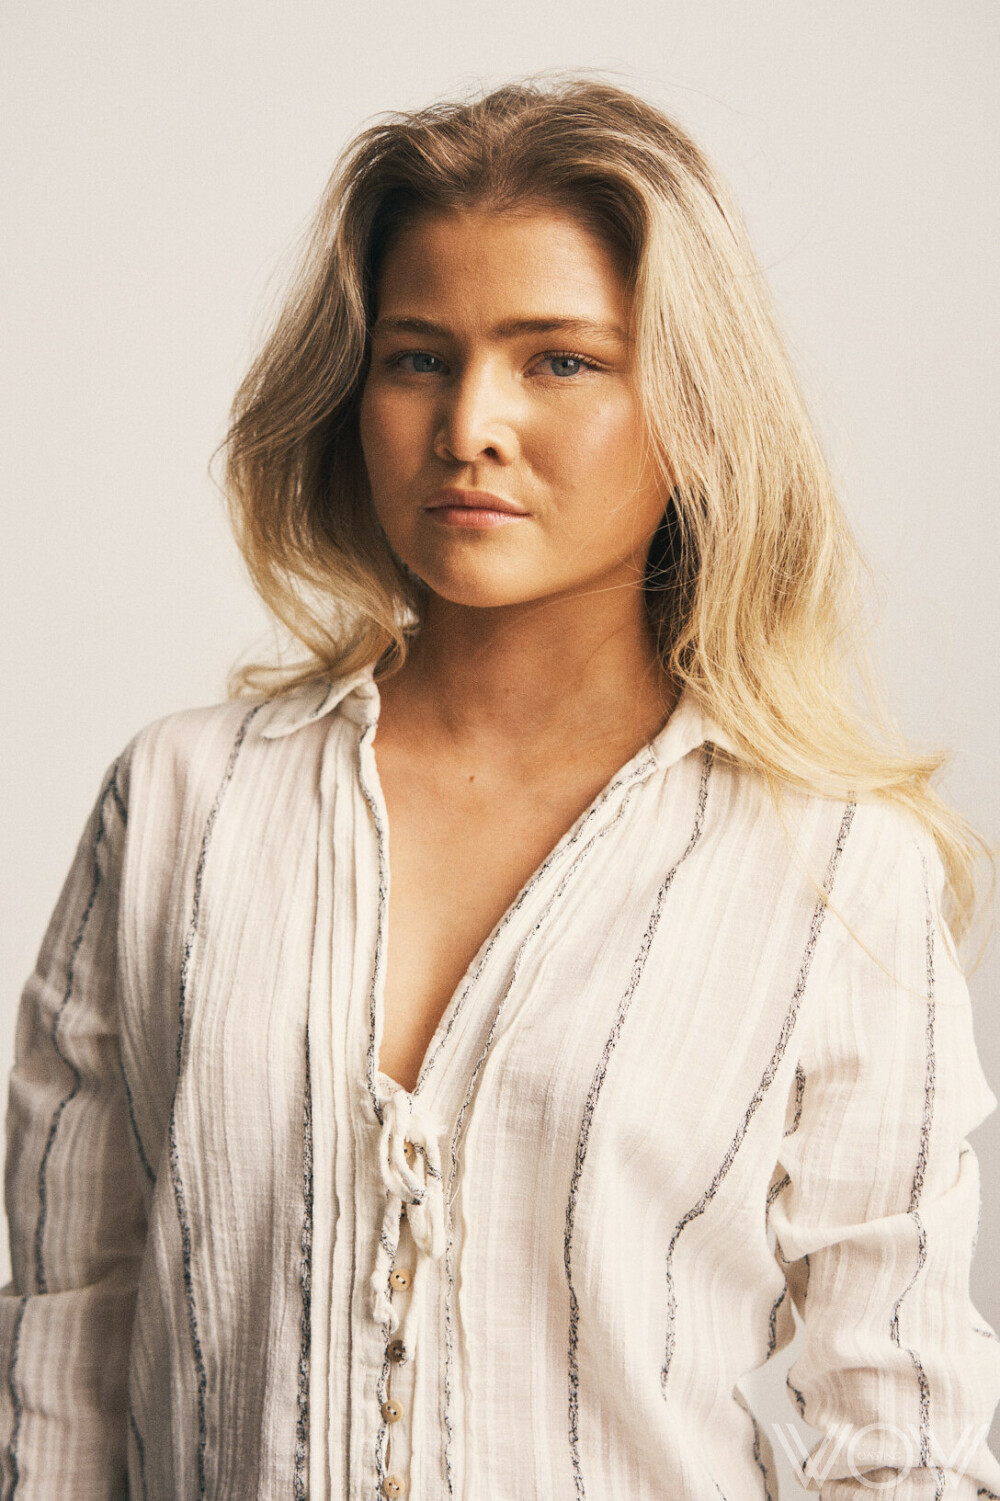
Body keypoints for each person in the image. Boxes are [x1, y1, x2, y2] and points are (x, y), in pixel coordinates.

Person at [1, 70, 998, 1501]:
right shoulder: (179, 806)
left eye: (560, 362)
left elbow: (896, 1430)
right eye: (418, 357)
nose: (471, 421)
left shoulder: (834, 865)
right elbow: (61, 1349)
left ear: (696, 409)